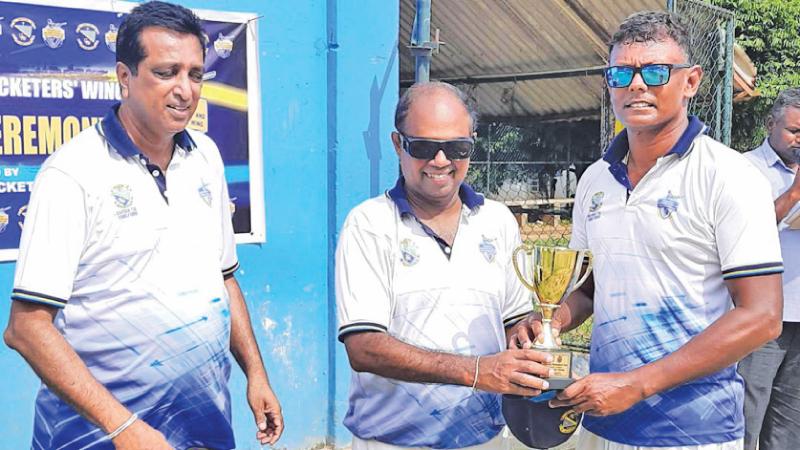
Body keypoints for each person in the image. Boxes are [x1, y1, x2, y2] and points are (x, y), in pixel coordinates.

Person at [3, 2, 282, 449]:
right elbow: (27, 328)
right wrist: (123, 428)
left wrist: (257, 375)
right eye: (166, 71)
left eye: (195, 74)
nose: (185, 90)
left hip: (202, 431)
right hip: (99, 438)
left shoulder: (206, 157)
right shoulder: (73, 173)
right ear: (124, 76)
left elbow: (224, 281)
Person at [511, 11, 784, 450]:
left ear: (691, 82)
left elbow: (762, 317)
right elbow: (589, 288)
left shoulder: (730, 175)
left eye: (656, 72)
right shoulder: (594, 181)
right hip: (603, 423)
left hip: (696, 431)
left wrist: (637, 384)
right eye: (621, 73)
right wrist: (551, 321)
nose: (637, 84)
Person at [335, 81, 553, 449]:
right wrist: (478, 372)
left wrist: (534, 333)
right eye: (423, 147)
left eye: (456, 147)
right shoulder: (369, 224)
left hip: (483, 438)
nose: (440, 160)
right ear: (396, 144)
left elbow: (514, 319)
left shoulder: (497, 221)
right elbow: (364, 347)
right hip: (391, 441)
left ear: (472, 143)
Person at [739, 88, 800, 450]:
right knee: (748, 414)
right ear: (770, 124)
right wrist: (793, 194)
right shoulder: (744, 170)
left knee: (790, 425)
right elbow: (746, 229)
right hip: (763, 315)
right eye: (795, 130)